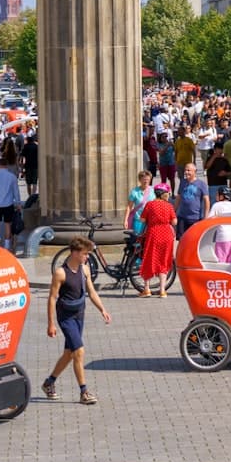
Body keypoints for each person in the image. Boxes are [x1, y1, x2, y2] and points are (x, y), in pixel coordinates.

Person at [42, 236, 112, 405]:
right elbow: (52, 298)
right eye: (85, 254)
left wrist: (102, 309)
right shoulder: (60, 273)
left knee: (69, 354)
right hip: (65, 317)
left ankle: (49, 383)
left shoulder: (85, 269)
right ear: (74, 253)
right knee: (79, 352)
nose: (87, 257)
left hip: (80, 313)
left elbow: (91, 292)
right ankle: (84, 392)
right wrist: (51, 323)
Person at [138, 183, 177, 297]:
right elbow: (174, 222)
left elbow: (142, 219)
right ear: (163, 194)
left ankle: (147, 289)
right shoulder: (169, 206)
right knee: (164, 260)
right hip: (166, 235)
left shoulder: (150, 205)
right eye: (167, 193)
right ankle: (162, 290)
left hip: (153, 234)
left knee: (150, 259)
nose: (168, 195)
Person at [174, 163, 210, 240]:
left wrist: (206, 216)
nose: (186, 172)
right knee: (181, 240)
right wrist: (173, 211)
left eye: (188, 170)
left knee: (194, 240)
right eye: (185, 170)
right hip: (182, 217)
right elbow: (179, 197)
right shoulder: (182, 182)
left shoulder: (201, 184)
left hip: (196, 218)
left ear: (195, 171)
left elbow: (206, 200)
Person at [124, 170, 154, 236]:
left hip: (151, 220)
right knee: (137, 239)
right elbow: (129, 207)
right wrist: (125, 220)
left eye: (148, 179)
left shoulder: (153, 190)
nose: (146, 181)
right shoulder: (134, 192)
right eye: (144, 179)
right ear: (140, 180)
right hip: (138, 220)